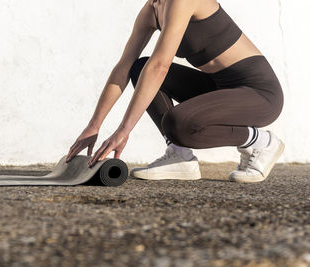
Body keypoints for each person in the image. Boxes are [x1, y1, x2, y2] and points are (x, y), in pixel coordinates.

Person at [65, 0, 284, 183]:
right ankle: (180, 156)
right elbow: (122, 68)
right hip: (218, 88)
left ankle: (261, 142)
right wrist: (93, 126)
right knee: (139, 67)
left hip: (259, 93)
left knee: (178, 123)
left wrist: (123, 130)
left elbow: (161, 66)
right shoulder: (152, 9)